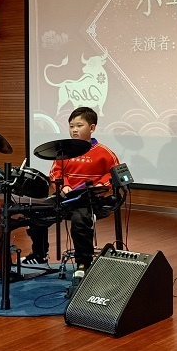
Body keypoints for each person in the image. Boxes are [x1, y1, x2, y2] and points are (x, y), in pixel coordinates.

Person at [24, 106, 119, 281]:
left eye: (79, 126)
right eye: (71, 126)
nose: (74, 130)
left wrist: (99, 186)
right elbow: (56, 173)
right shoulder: (64, 151)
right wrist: (64, 186)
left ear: (92, 128)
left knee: (79, 220)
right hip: (66, 198)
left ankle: (83, 263)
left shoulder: (104, 152)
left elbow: (113, 175)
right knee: (35, 211)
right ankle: (39, 255)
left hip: (89, 201)